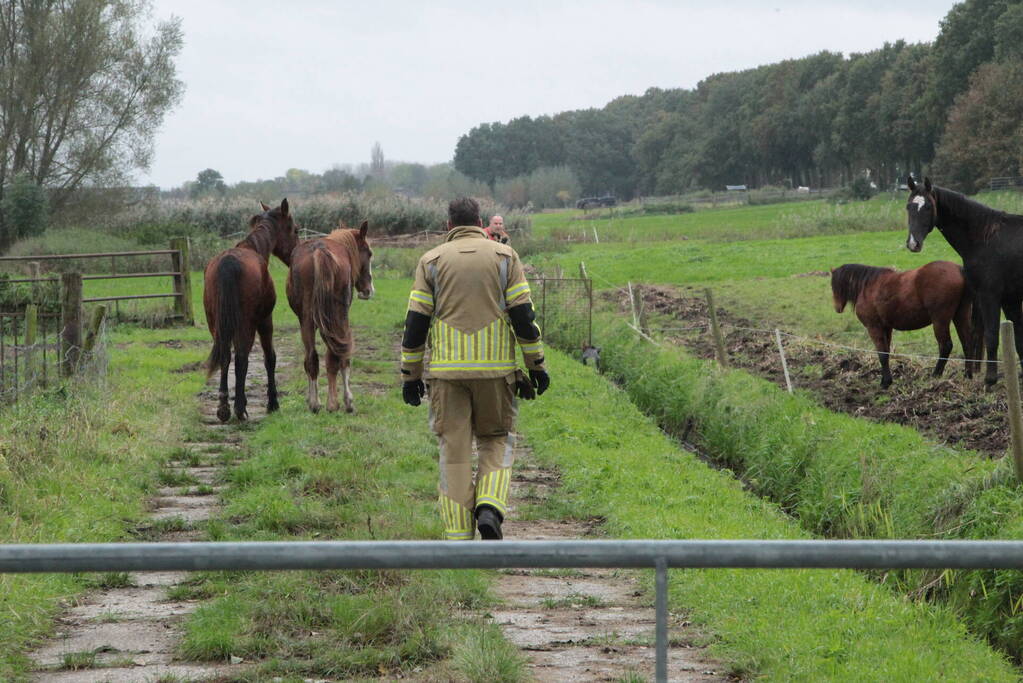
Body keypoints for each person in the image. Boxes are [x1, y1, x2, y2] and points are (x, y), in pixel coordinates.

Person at [400, 197, 549, 540]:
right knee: (496, 439)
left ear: (448, 225)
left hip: (446, 376)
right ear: (481, 220)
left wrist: (411, 376)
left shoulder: (431, 261)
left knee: (453, 452)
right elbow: (524, 318)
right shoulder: (505, 257)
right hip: (496, 374)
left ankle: (458, 543)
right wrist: (536, 365)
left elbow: (415, 324)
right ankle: (489, 507)